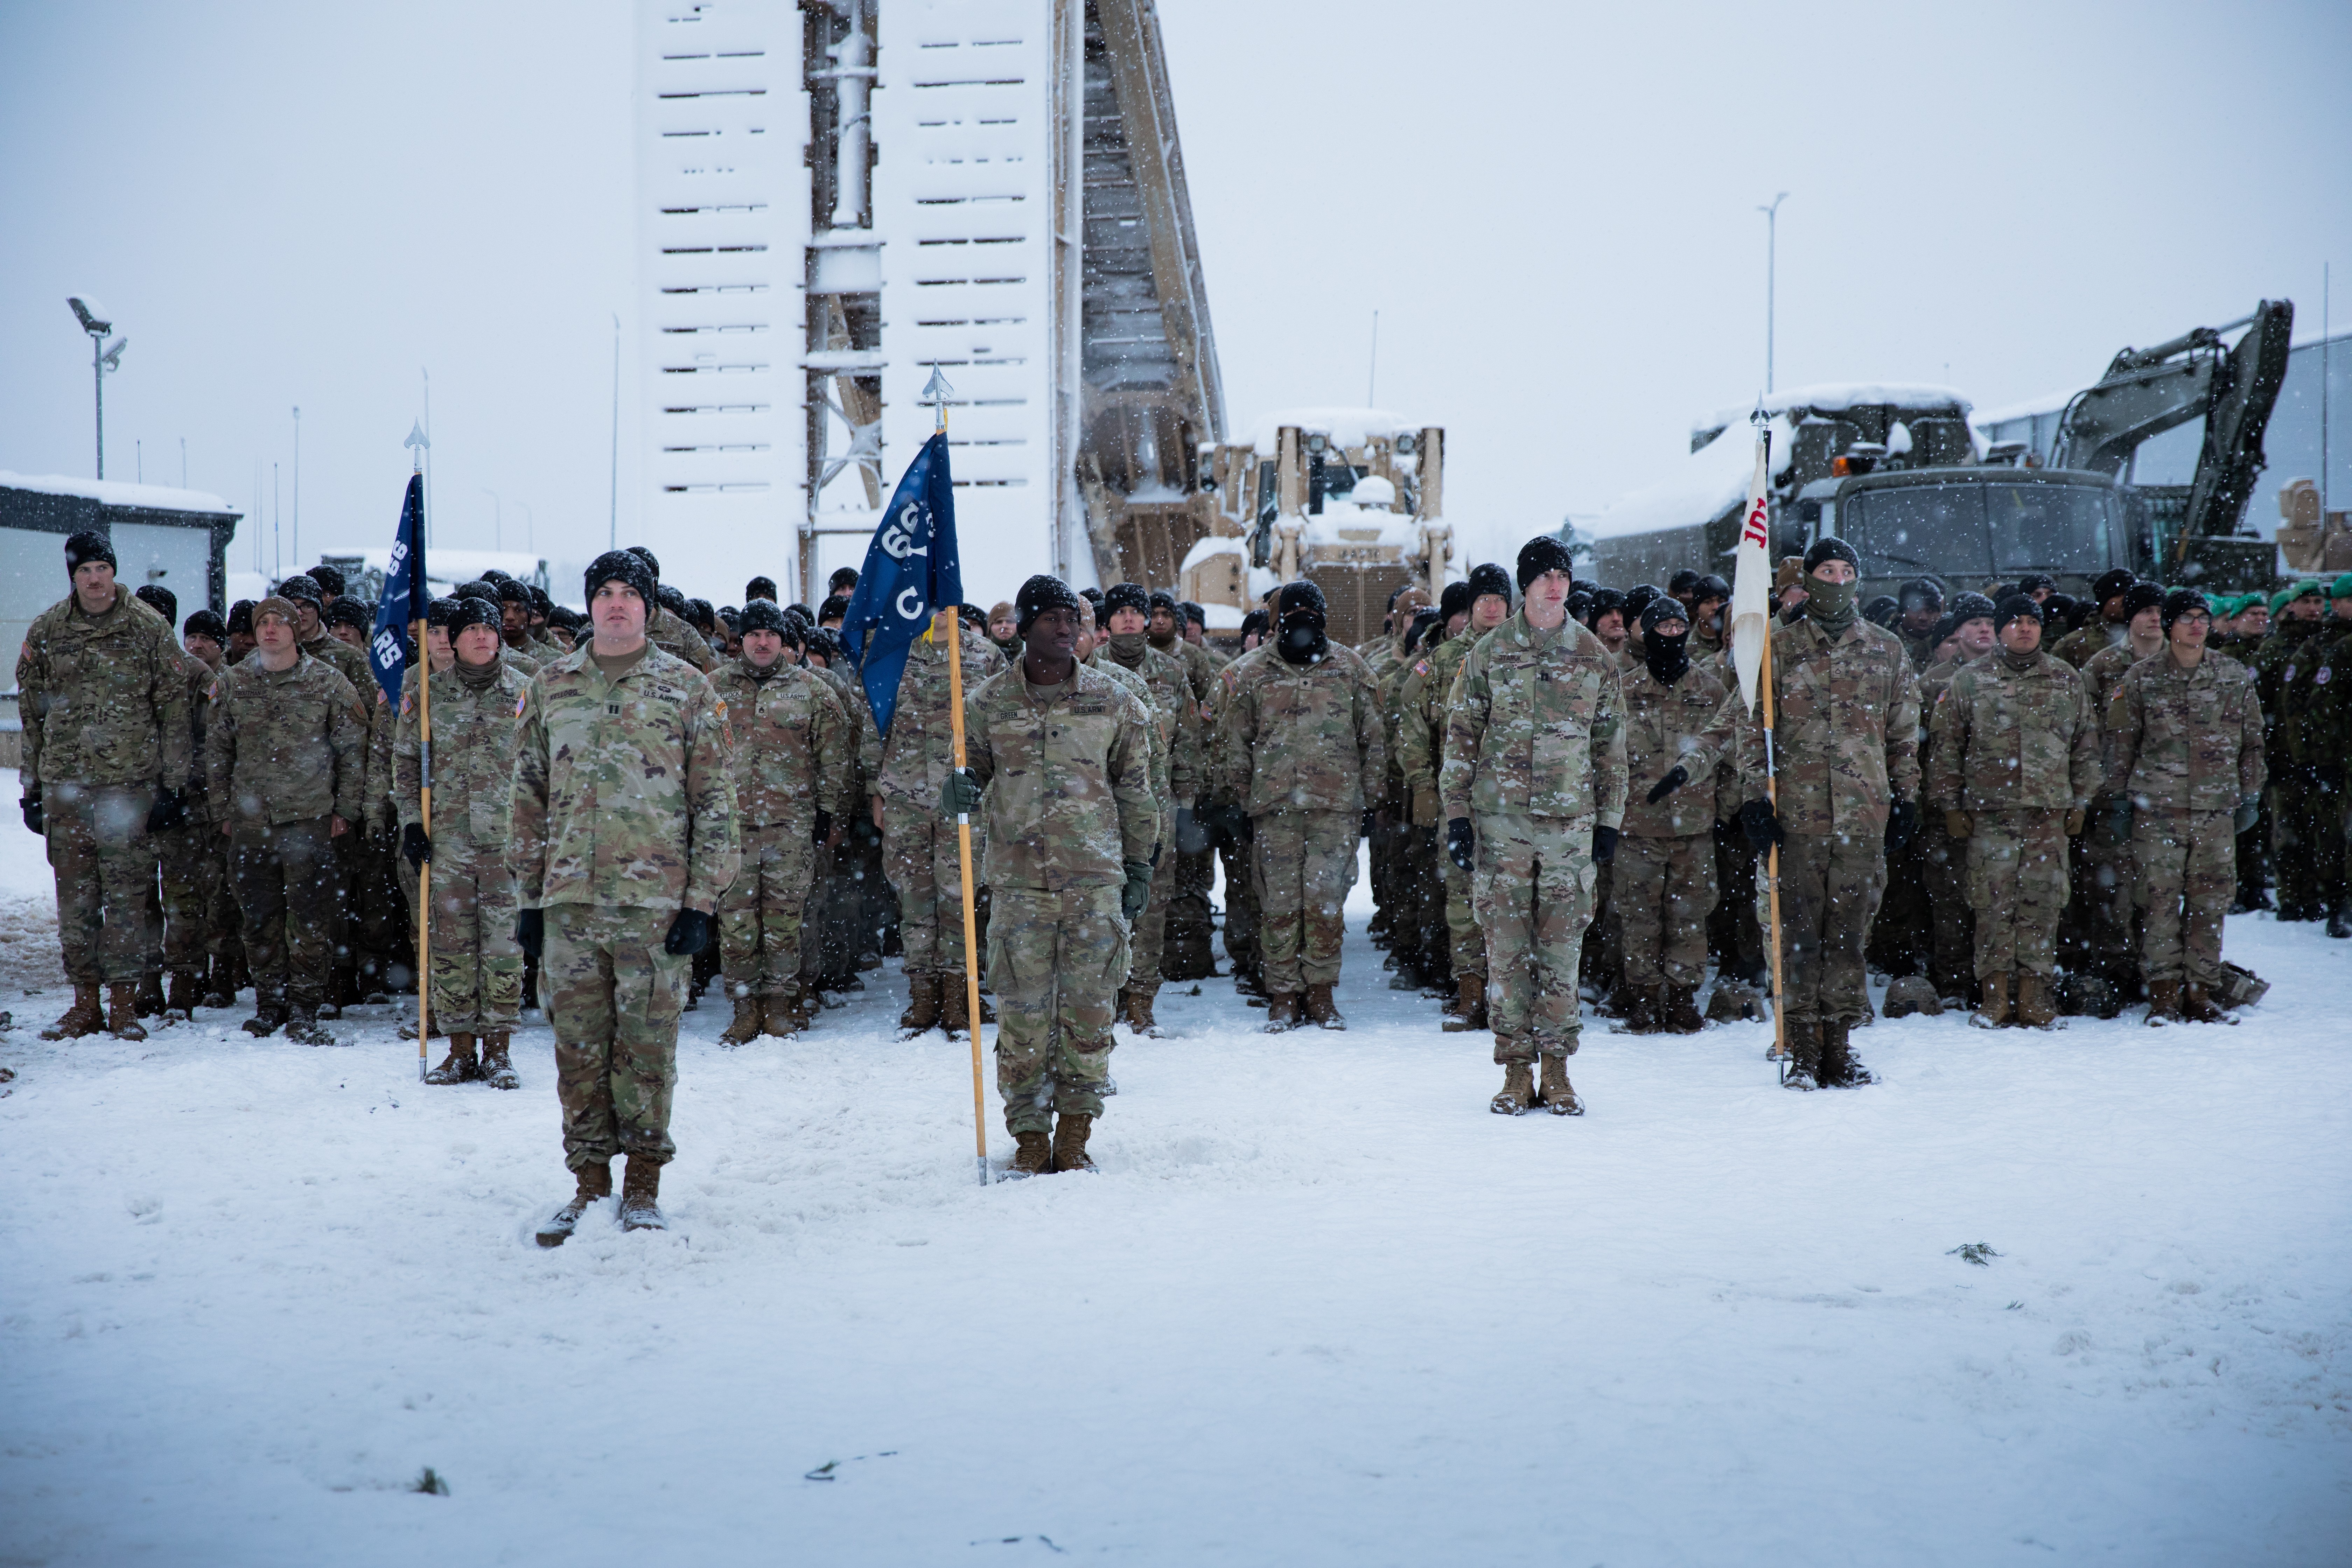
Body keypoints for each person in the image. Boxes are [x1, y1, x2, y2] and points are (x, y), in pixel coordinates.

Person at [515, 550, 738, 1242]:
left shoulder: (689, 688)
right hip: (570, 905)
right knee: (578, 1048)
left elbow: (717, 801)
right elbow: (525, 795)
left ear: (649, 606)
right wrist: (528, 898)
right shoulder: (551, 686)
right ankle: (587, 1182)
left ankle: (643, 1183)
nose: (616, 603)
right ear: (589, 605)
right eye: (604, 592)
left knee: (646, 1048)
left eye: (628, 593)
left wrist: (702, 902)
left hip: (655, 905)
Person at [1673, 537, 1920, 1089]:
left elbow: (1903, 732)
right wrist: (1755, 800)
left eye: (1847, 570)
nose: (1838, 580)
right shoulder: (1776, 651)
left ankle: (1841, 1044)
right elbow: (1750, 730)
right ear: (1808, 582)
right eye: (1827, 571)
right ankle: (1803, 1046)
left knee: (1850, 935)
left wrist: (1907, 797)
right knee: (1800, 934)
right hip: (1798, 816)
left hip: (1862, 815)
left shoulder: (1886, 649)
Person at [943, 576, 1155, 1176]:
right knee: (1024, 1018)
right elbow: (965, 780)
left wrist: (1139, 864)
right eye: (1051, 620)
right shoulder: (986, 704)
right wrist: (955, 791)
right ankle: (1031, 1132)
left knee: (1089, 1016)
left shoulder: (1114, 702)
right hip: (1019, 887)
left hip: (1094, 883)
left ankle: (1076, 1132)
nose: (1066, 630)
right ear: (1027, 626)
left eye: (1073, 620)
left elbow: (1137, 794)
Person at [1443, 538, 1625, 1113]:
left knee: (1562, 948)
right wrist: (1457, 819)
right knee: (1507, 950)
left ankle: (1559, 1068)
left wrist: (1611, 822)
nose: (1555, 584)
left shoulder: (1593, 656)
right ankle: (1516, 1070)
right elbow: (1461, 740)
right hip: (1502, 827)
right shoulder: (1489, 654)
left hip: (1570, 830)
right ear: (1525, 585)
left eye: (1562, 575)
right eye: (1543, 575)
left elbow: (1611, 748)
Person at [16, 531, 191, 1041]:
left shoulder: (147, 627)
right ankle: (84, 1003)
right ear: (73, 576)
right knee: (75, 898)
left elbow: (173, 709)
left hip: (128, 788)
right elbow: (32, 715)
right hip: (67, 788)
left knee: (127, 898)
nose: (95, 579)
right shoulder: (49, 629)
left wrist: (173, 786)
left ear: (114, 572)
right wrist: (33, 788)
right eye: (85, 571)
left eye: (102, 569)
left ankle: (123, 1005)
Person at [1213, 580, 1384, 1030]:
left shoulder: (1350, 669)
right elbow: (1235, 743)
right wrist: (1239, 802)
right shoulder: (1251, 673)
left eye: (1312, 610)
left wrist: (1372, 800)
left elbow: (1374, 739)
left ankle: (1322, 994)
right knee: (1279, 905)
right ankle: (1284, 995)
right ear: (1278, 620)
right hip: (1274, 811)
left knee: (1326, 904)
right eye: (1295, 611)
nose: (1303, 618)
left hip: (1336, 809)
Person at [1925, 597, 2101, 1029]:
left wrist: (2081, 801)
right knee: (1992, 904)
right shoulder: (1970, 680)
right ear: (2001, 629)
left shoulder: (2065, 679)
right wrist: (1949, 805)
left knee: (2042, 905)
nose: (2025, 629)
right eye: (2015, 622)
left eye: (2033, 622)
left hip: (2048, 814)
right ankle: (1995, 995)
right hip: (1991, 814)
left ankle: (2035, 995)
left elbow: (2086, 746)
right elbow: (1947, 746)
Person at [204, 595, 369, 1044]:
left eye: (281, 622)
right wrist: (222, 811)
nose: (271, 630)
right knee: (258, 919)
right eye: (264, 623)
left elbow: (353, 752)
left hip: (309, 819)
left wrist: (345, 811)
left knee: (310, 920)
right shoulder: (233, 683)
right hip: (251, 823)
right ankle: (269, 1003)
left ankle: (305, 1006)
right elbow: (217, 752)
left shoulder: (329, 683)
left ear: (297, 630)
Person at [2106, 589, 2263, 1024]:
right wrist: (2118, 801)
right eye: (2186, 618)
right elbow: (2122, 745)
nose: (2197, 625)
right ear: (2170, 625)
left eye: (2203, 617)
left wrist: (2250, 794)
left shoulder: (2233, 675)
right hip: (2157, 809)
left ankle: (2200, 992)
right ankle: (2162, 994)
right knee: (2158, 902)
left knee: (2210, 902)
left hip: (2216, 809)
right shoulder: (2141, 678)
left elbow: (2252, 743)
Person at [394, 595, 533, 1086]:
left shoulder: (526, 694)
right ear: (452, 639)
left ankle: (498, 1050)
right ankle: (458, 1050)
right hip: (448, 842)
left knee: (503, 949)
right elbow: (407, 762)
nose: (481, 636)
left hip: (508, 844)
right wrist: (412, 822)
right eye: (470, 628)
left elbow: (548, 768)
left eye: (489, 629)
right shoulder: (428, 696)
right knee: (451, 948)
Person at [860, 601, 1006, 1036]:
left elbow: (1000, 726)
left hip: (962, 796)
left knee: (961, 899)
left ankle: (960, 998)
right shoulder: (894, 653)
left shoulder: (983, 656)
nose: (939, 609)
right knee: (915, 900)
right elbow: (874, 723)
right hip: (904, 796)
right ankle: (923, 997)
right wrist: (876, 791)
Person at [708, 601, 850, 1044]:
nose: (763, 642)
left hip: (790, 828)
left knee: (786, 920)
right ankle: (745, 1007)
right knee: (736, 923)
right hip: (731, 830)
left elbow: (834, 756)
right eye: (753, 635)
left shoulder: (812, 690)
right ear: (741, 641)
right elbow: (694, 755)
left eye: (771, 634)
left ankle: (779, 1005)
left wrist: (828, 813)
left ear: (783, 640)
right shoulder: (712, 690)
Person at [1615, 598, 1731, 1032]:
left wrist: (1729, 807)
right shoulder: (1624, 691)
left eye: (1677, 626)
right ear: (1645, 632)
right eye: (1660, 627)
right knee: (1638, 918)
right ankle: (1642, 999)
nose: (1670, 634)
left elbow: (1730, 751)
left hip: (1694, 826)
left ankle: (1682, 999)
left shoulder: (1710, 690)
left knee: (1690, 916)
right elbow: (1604, 757)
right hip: (1637, 827)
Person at [1092, 584, 1192, 1034]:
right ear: (1107, 623)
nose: (1130, 620)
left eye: (1137, 612)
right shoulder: (1091, 673)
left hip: (1156, 807)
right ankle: (1105, 996)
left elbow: (1189, 737)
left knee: (1151, 904)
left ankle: (1141, 999)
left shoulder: (1172, 672)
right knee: (1104, 902)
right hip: (1101, 809)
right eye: (1121, 613)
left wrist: (1186, 797)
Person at [624, 546, 718, 674]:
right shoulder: (599, 626)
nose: (635, 586)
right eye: (628, 580)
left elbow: (710, 681)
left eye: (643, 580)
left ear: (654, 584)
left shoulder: (684, 633)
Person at [2053, 569, 2136, 667]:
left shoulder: (2150, 638)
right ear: (2103, 602)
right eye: (2119, 595)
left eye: (2130, 595)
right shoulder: (2071, 645)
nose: (2126, 600)